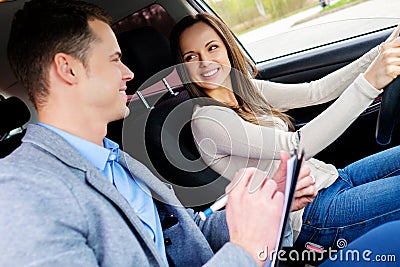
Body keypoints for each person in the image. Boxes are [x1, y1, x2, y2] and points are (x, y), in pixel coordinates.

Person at [0, 1, 318, 266]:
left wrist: (271, 203)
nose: (129, 74)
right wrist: (245, 252)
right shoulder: (25, 193)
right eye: (114, 60)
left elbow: (188, 235)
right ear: (68, 69)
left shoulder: (115, 160)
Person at [169, 12, 400, 251]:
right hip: (314, 214)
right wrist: (370, 83)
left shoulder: (245, 90)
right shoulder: (208, 119)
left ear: (227, 47)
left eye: (212, 47)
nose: (205, 61)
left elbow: (315, 92)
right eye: (191, 57)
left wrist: (382, 52)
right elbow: (297, 145)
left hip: (333, 179)